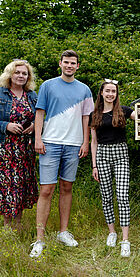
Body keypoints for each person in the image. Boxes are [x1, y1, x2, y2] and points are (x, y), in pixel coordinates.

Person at [29, 50, 94, 258]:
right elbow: (39, 113)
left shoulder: (85, 90)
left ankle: (63, 232)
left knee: (67, 187)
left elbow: (86, 118)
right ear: (60, 64)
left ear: (77, 66)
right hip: (50, 143)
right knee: (46, 190)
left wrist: (86, 141)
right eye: (66, 62)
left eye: (73, 63)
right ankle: (39, 239)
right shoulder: (48, 85)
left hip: (74, 145)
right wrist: (38, 139)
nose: (69, 66)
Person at [0, 59, 39, 230]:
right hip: (2, 150)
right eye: (17, 72)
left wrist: (35, 126)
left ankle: (18, 224)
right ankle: (7, 226)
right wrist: (6, 126)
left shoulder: (32, 96)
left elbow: (40, 117)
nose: (21, 76)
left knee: (20, 185)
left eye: (24, 73)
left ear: (28, 77)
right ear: (10, 74)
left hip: (24, 150)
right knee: (7, 186)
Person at [90, 79, 135, 257]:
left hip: (121, 154)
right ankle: (112, 232)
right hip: (102, 154)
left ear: (116, 94)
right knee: (106, 195)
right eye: (107, 91)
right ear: (101, 93)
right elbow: (93, 142)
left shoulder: (123, 110)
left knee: (122, 195)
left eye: (113, 91)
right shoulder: (95, 114)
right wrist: (94, 164)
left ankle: (125, 240)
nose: (110, 94)